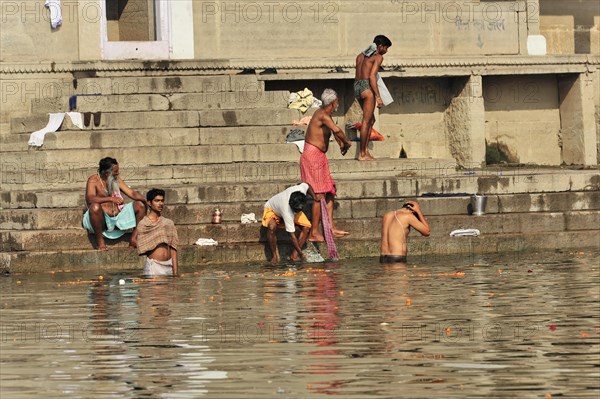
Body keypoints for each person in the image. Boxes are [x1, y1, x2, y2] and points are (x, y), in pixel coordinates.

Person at [300, 89, 352, 242]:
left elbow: (333, 132)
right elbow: (337, 130)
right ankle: (314, 233)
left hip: (320, 157)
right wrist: (347, 142)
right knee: (318, 196)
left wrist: (341, 144)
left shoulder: (326, 115)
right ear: (332, 103)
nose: (338, 104)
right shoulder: (321, 114)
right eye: (337, 102)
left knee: (330, 191)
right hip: (312, 157)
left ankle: (330, 228)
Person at [83, 157, 146, 250]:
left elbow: (131, 193)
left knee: (140, 205)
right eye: (115, 171)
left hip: (117, 216)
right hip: (102, 220)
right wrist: (111, 199)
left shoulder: (116, 179)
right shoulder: (93, 180)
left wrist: (146, 200)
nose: (118, 173)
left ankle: (133, 239)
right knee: (95, 207)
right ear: (107, 173)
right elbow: (90, 199)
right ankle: (100, 242)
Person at [354, 34, 392, 161]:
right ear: (380, 46)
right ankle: (362, 154)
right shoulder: (378, 57)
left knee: (371, 120)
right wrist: (378, 96)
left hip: (357, 86)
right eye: (386, 48)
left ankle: (365, 151)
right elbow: (371, 76)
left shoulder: (360, 56)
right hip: (367, 87)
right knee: (366, 120)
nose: (386, 51)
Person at [262, 182, 315, 263]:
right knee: (272, 227)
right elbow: (292, 236)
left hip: (291, 210)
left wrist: (314, 197)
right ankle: (274, 256)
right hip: (272, 209)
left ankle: (294, 255)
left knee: (306, 228)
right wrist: (302, 253)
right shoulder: (287, 211)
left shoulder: (301, 190)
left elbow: (307, 184)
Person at [136, 188, 179, 276]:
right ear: (149, 203)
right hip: (154, 266)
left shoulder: (168, 223)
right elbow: (142, 246)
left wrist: (175, 272)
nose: (160, 204)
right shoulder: (144, 224)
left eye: (162, 201)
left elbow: (173, 249)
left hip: (169, 265)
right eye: (157, 201)